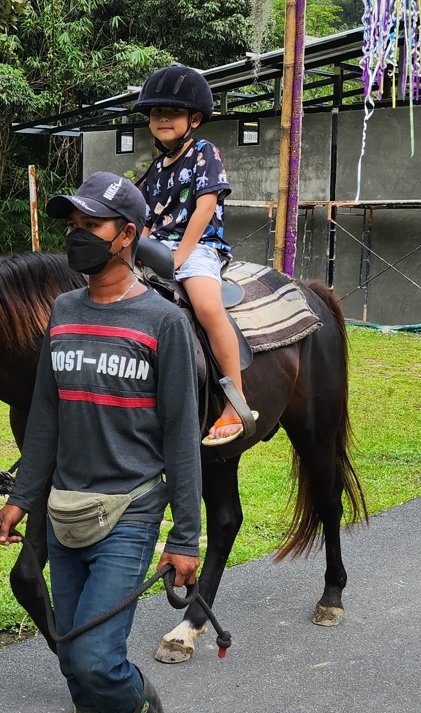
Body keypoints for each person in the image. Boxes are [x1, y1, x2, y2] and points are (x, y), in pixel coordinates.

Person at [0, 172, 202, 713]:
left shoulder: (163, 322)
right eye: (72, 225)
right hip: (65, 510)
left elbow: (180, 438)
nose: (76, 237)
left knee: (94, 656)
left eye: (91, 226)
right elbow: (47, 418)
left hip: (131, 511)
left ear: (128, 236)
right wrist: (21, 497)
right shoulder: (63, 311)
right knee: (73, 662)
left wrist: (185, 537)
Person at [136, 64, 257, 446]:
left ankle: (235, 400)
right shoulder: (156, 168)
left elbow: (204, 208)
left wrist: (178, 259)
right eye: (157, 112)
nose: (163, 118)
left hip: (199, 247)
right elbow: (144, 221)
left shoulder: (205, 152)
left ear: (195, 118)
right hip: (156, 248)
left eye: (172, 112)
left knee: (205, 305)